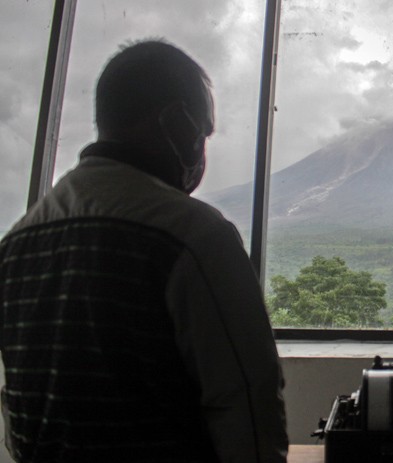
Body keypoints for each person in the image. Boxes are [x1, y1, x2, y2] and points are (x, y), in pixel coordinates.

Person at [0, 40, 288, 462]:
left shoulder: (16, 244)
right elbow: (248, 403)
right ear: (177, 122)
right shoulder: (194, 236)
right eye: (203, 132)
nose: (202, 149)